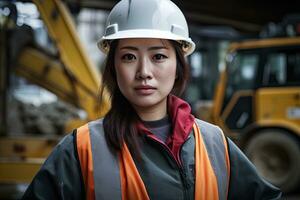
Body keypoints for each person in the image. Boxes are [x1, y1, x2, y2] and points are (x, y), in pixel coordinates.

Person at [22, 0, 282, 199]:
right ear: (113, 67)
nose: (144, 72)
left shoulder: (215, 144)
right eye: (129, 57)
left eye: (158, 56)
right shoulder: (81, 149)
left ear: (178, 65)